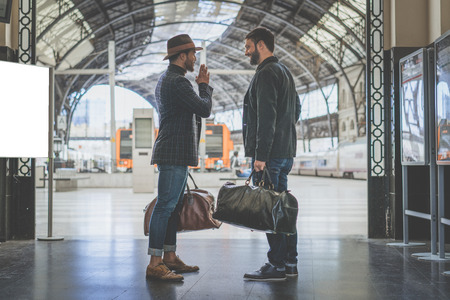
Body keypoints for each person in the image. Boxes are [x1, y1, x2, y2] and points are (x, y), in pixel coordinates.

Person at [146, 34, 213, 281]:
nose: (195, 58)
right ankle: (155, 262)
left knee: (171, 208)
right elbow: (204, 108)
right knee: (165, 206)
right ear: (182, 56)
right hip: (173, 152)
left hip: (174, 151)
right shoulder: (178, 82)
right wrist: (204, 85)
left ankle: (170, 257)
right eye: (193, 54)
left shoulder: (168, 79)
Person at [241, 27, 301, 281]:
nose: (246, 52)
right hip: (285, 152)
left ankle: (275, 264)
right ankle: (290, 262)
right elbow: (296, 108)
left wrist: (261, 155)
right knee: (283, 209)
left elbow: (267, 118)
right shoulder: (285, 72)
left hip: (270, 157)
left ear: (261, 45)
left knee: (269, 209)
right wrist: (285, 135)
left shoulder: (265, 73)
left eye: (248, 47)